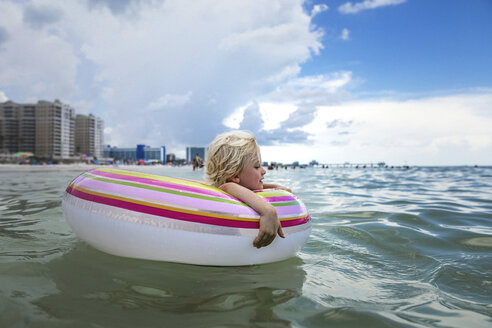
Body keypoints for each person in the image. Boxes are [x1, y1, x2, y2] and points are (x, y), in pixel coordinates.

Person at [205, 130, 291, 248]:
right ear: (235, 176)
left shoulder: (235, 185)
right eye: (257, 166)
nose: (263, 171)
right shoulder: (226, 189)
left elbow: (243, 187)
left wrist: (275, 187)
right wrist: (268, 210)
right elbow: (228, 187)